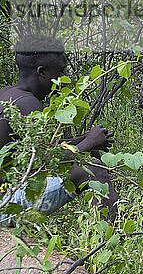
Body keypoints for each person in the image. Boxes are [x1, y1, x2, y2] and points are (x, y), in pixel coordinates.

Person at [0, 35, 118, 225]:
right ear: (42, 73)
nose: (64, 79)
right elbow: (50, 160)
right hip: (5, 204)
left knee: (88, 155)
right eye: (61, 72)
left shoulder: (7, 93)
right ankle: (113, 237)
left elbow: (40, 150)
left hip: (7, 193)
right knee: (94, 169)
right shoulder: (28, 103)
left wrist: (84, 138)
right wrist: (89, 142)